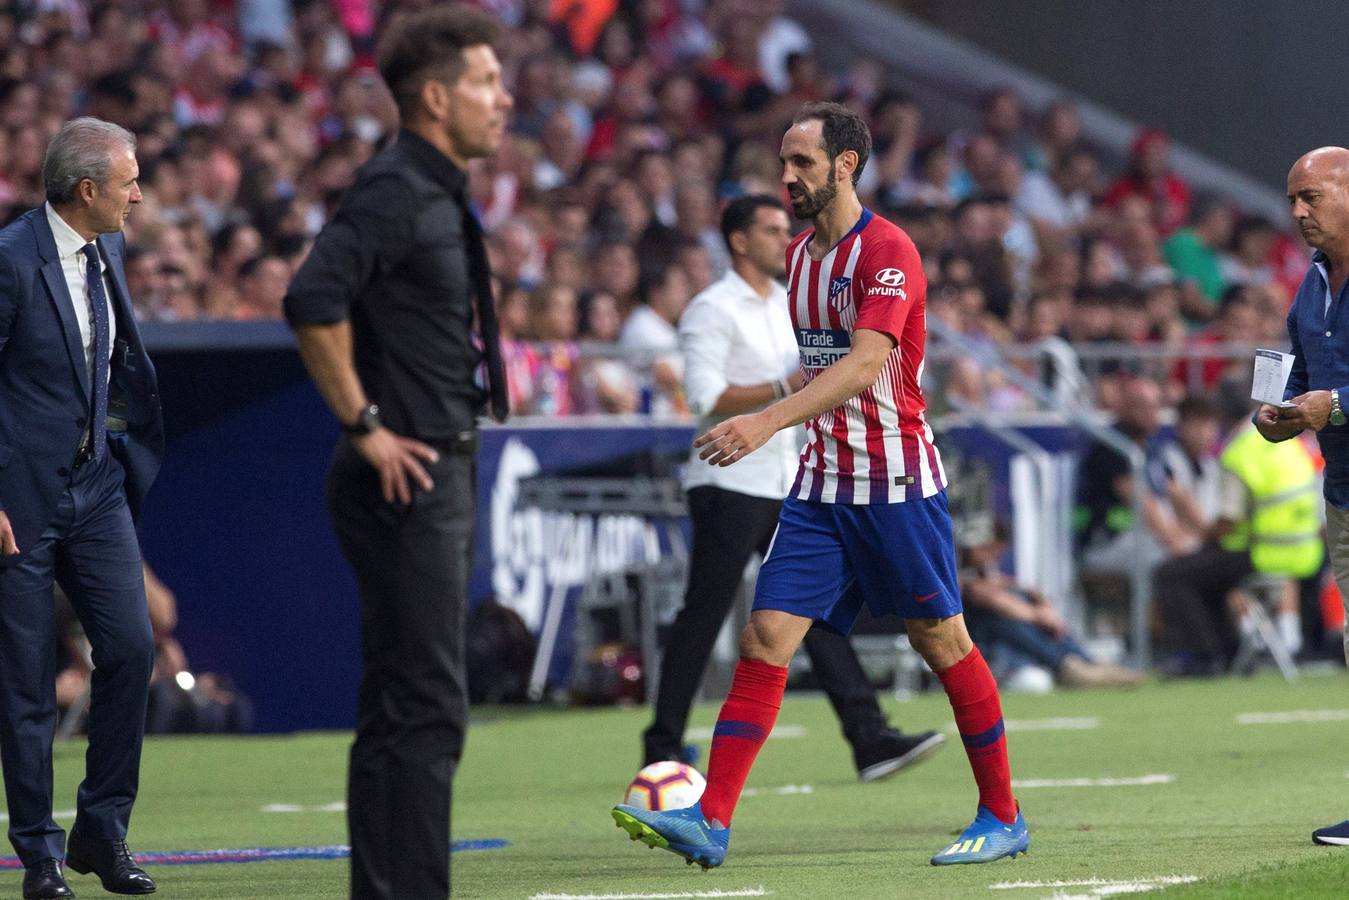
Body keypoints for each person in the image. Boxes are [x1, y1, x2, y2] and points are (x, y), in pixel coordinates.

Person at [612, 101, 1028, 869]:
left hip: (894, 481)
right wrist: (778, 411)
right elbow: (819, 365)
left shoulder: (889, 251)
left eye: (800, 161)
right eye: (782, 161)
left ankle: (1002, 815)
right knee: (764, 637)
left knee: (941, 641)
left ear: (845, 164)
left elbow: (867, 363)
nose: (786, 176)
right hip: (821, 486)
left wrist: (765, 421)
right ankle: (711, 820)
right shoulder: (801, 259)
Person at [281, 6, 512, 898]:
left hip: (433, 465)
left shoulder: (436, 188)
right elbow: (311, 298)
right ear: (435, 96)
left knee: (399, 706)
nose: (504, 99)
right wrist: (365, 423)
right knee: (425, 706)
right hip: (409, 471)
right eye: (488, 83)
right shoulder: (395, 189)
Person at [641, 193, 944, 781]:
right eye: (771, 228)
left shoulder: (791, 297)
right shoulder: (712, 309)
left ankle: (869, 736)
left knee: (813, 613)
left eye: (787, 227)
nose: (787, 237)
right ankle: (662, 744)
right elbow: (703, 397)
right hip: (730, 479)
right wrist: (784, 389)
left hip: (790, 474)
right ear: (738, 241)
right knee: (706, 612)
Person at [0, 117, 162, 899]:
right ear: (88, 189)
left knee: (132, 648)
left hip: (95, 487)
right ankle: (37, 856)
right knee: (26, 684)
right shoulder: (9, 262)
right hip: (19, 498)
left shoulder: (109, 246)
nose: (140, 193)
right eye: (130, 179)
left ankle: (102, 831)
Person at [1256, 146, 1349, 847]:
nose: (1296, 212)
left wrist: (1334, 406)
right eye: (1292, 198)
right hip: (1342, 493)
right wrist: (1280, 412)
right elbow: (1294, 377)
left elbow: (1331, 397)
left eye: (1310, 196)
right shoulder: (1309, 286)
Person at [1155, 383, 1321, 676]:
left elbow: (1228, 522)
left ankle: (1205, 656)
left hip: (1263, 552)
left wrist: (1202, 534)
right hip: (1305, 552)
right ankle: (1230, 651)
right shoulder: (1288, 443)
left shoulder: (1240, 450)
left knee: (1172, 575)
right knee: (1208, 572)